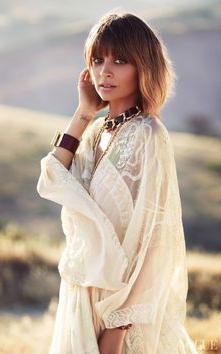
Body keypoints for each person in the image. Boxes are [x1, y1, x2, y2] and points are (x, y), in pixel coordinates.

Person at [37, 10, 198, 354]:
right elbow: (50, 178)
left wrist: (119, 323)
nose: (104, 71)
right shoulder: (96, 133)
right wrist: (83, 114)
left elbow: (157, 240)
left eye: (120, 60)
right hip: (79, 297)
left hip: (120, 308)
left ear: (144, 66)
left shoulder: (149, 135)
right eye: (97, 59)